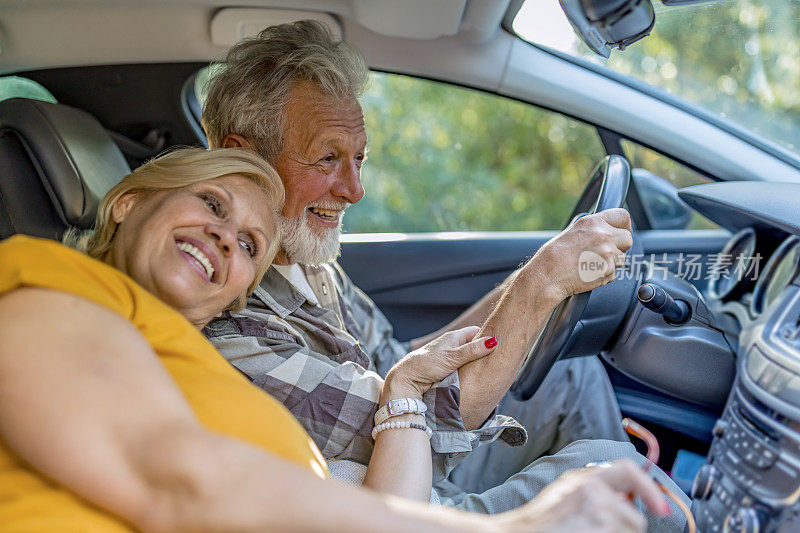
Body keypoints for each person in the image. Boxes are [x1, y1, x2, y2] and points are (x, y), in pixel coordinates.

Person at [0, 146, 671, 532]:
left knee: (624, 486)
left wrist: (405, 390)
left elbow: (370, 507)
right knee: (630, 487)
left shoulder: (182, 359)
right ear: (126, 203)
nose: (223, 237)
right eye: (209, 204)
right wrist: (510, 530)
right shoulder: (53, 288)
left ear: (236, 291)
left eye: (248, 245)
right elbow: (181, 480)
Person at [200, 19, 690, 528]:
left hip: (415, 464)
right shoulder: (230, 326)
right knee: (618, 471)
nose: (354, 189)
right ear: (245, 157)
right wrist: (542, 281)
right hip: (408, 507)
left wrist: (541, 278)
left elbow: (400, 366)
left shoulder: (303, 259)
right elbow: (412, 425)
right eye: (328, 158)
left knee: (570, 373)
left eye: (359, 159)